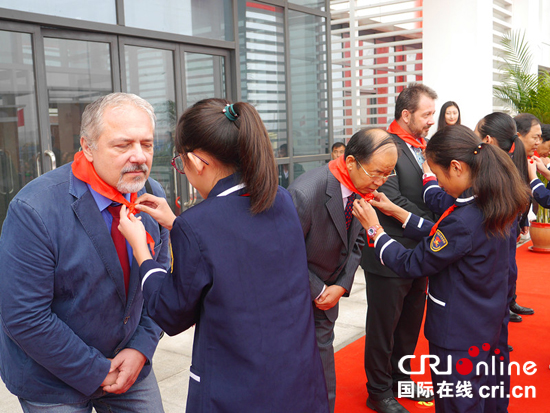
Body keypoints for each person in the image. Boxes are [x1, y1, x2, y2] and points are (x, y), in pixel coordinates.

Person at [117, 98, 330, 412]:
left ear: (198, 160)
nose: (184, 171)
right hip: (297, 378)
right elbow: (238, 246)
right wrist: (177, 224)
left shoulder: (198, 225)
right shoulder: (280, 199)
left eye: (180, 163)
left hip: (239, 390)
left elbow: (172, 313)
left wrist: (142, 251)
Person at [0, 93, 170, 412]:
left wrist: (141, 349)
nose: (139, 157)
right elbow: (24, 315)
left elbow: (157, 284)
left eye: (146, 144)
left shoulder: (152, 196)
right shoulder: (34, 209)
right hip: (51, 378)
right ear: (87, 147)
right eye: (123, 145)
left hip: (130, 362)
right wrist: (96, 370)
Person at [353, 124, 531, 413]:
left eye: (437, 175)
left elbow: (413, 262)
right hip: (489, 322)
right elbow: (444, 235)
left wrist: (375, 231)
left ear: (457, 167)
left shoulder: (464, 218)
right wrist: (396, 211)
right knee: (491, 398)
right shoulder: (496, 199)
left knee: (457, 403)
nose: (437, 183)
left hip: (458, 332)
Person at [288, 127, 398, 412]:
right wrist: (320, 289)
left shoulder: (362, 187)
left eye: (388, 174)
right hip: (298, 295)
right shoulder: (305, 192)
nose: (381, 181)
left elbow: (357, 242)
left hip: (330, 291)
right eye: (376, 173)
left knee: (323, 368)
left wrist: (341, 285)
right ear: (350, 161)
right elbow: (285, 255)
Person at [360, 83, 437, 413]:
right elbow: (391, 199)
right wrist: (435, 228)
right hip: (389, 254)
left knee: (409, 325)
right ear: (406, 115)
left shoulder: (423, 147)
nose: (431, 120)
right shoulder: (385, 146)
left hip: (420, 253)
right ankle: (378, 391)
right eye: (426, 114)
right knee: (383, 327)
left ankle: (400, 379)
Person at [476, 113, 533, 322]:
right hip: (502, 226)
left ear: (488, 139)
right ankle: (501, 319)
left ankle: (504, 312)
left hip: (500, 226)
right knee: (502, 272)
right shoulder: (504, 161)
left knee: (503, 271)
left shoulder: (493, 165)